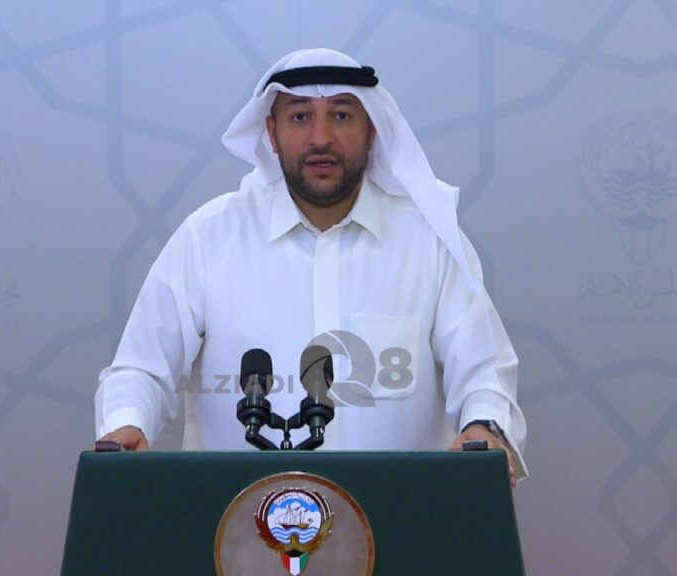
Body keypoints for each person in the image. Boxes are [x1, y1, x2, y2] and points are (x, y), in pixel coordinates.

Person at [95, 48, 528, 485]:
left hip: (401, 514)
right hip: (234, 518)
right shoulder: (208, 238)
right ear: (272, 132)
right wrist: (127, 421)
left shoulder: (428, 242)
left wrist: (485, 426)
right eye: (300, 117)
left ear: (372, 129)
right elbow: (141, 368)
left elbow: (483, 369)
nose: (321, 138)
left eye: (341, 116)